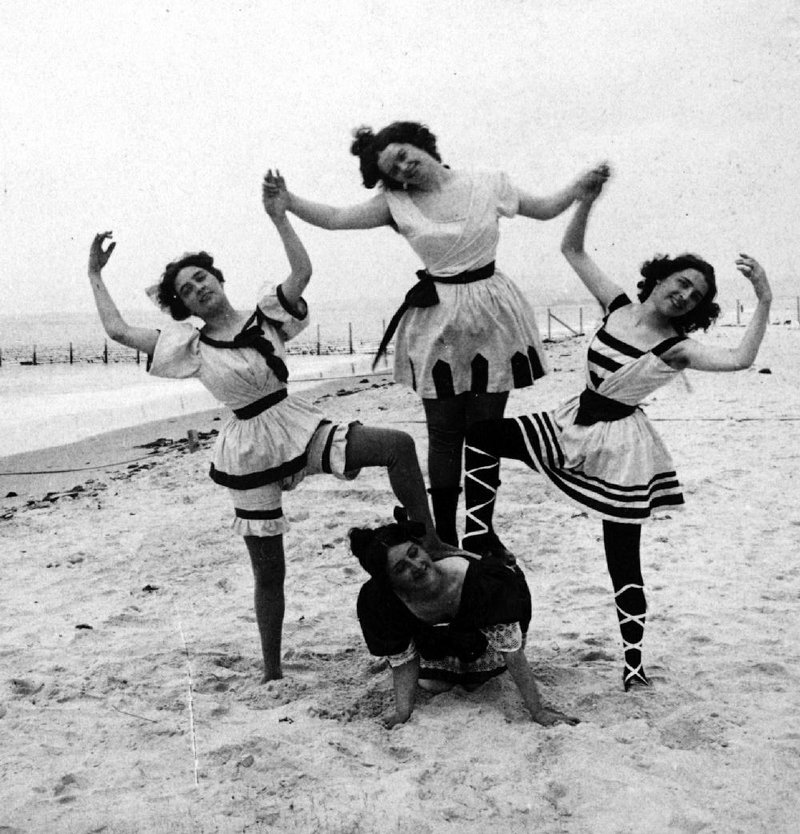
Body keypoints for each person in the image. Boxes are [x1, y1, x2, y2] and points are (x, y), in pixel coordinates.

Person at [87, 171, 452, 683]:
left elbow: (302, 270)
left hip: (296, 423)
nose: (198, 289)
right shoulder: (190, 347)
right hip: (249, 449)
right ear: (184, 306)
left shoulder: (267, 315)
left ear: (218, 279)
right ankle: (272, 672)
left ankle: (431, 541)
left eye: (202, 279)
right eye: (187, 291)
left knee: (397, 445)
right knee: (270, 571)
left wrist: (279, 215)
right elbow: (118, 330)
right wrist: (95, 275)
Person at [462, 168, 772, 691]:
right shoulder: (619, 305)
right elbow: (573, 250)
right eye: (681, 282)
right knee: (481, 435)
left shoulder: (678, 346)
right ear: (661, 278)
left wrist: (764, 299)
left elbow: (742, 359)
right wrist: (585, 199)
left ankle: (633, 665)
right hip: (572, 421)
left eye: (694, 296)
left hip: (622, 449)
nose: (684, 295)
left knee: (621, 556)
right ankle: (479, 533)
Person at [267, 122, 607, 555]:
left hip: (492, 313)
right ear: (394, 179)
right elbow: (335, 219)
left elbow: (544, 208)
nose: (404, 165)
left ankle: (482, 532)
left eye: (405, 153)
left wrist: (580, 189)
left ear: (423, 145)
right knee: (444, 433)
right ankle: (445, 536)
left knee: (485, 430)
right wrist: (288, 202)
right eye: (394, 168)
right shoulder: (397, 203)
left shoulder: (489, 183)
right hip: (437, 319)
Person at [351, 519, 579, 727]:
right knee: (434, 685)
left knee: (478, 681)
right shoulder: (381, 599)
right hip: (446, 633)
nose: (416, 565)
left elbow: (512, 652)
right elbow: (403, 661)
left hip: (489, 628)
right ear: (389, 581)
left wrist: (538, 711)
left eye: (414, 553)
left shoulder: (480, 580)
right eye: (401, 568)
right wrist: (402, 713)